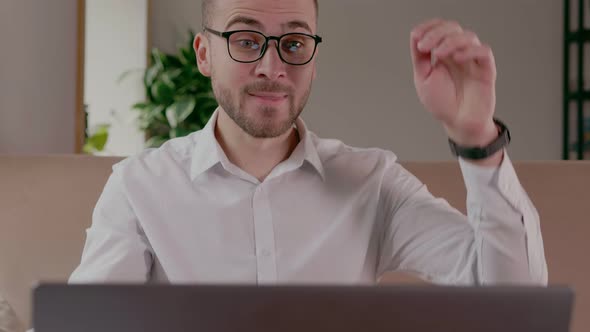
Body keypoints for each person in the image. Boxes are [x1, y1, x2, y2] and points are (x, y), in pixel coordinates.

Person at [69, 0, 547, 285]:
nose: (272, 68)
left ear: (314, 60)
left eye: (294, 44)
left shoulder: (372, 183)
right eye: (246, 39)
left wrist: (476, 138)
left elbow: (516, 293)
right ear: (204, 53)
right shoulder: (139, 187)